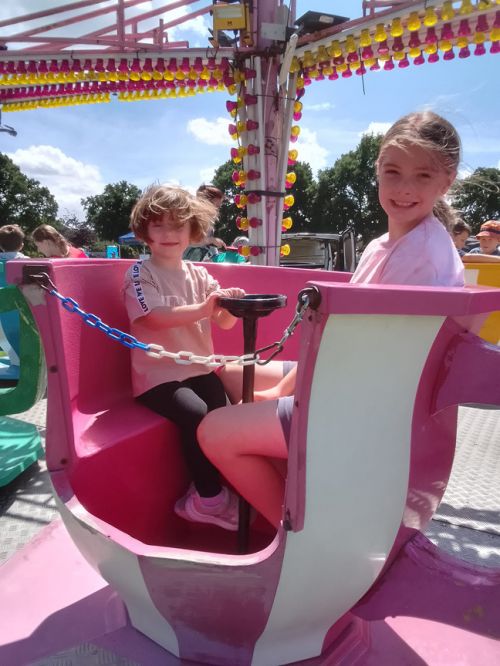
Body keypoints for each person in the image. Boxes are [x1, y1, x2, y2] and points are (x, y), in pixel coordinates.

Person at [198, 110, 465, 528]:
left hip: (361, 407)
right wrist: (285, 390)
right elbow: (342, 342)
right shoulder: (384, 245)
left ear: (446, 181)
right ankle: (281, 479)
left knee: (212, 430)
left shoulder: (424, 259)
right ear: (377, 171)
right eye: (393, 172)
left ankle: (291, 533)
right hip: (349, 380)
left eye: (423, 176)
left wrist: (284, 396)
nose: (405, 188)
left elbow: (354, 355)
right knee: (228, 374)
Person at [123, 184, 245, 531]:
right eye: (158, 225)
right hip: (157, 374)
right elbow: (153, 317)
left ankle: (216, 486)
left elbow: (221, 321)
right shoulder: (139, 273)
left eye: (178, 225)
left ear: (193, 231)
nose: (168, 234)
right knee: (196, 415)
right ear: (145, 230)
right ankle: (208, 500)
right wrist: (205, 306)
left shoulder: (200, 274)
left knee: (222, 417)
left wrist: (228, 305)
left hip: (198, 366)